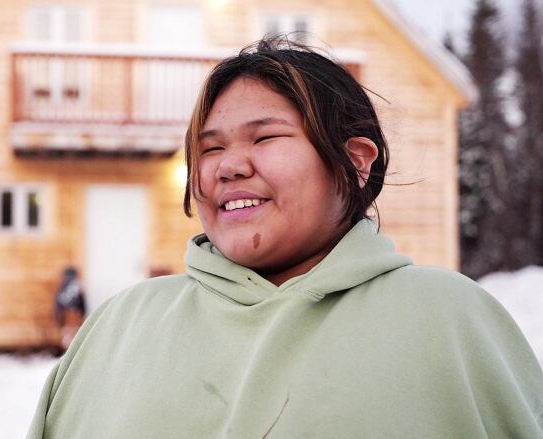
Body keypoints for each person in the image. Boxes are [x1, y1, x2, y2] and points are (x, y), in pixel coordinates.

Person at [28, 37, 543, 438]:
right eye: (209, 149)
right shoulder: (120, 326)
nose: (229, 166)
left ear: (356, 162)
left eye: (266, 137)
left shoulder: (450, 320)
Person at [53, 267, 86, 351]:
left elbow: (58, 303)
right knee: (74, 333)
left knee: (68, 333)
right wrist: (83, 314)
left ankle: (68, 350)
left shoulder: (63, 287)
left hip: (66, 315)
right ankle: (72, 349)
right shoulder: (77, 286)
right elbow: (82, 302)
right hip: (75, 313)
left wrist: (58, 316)